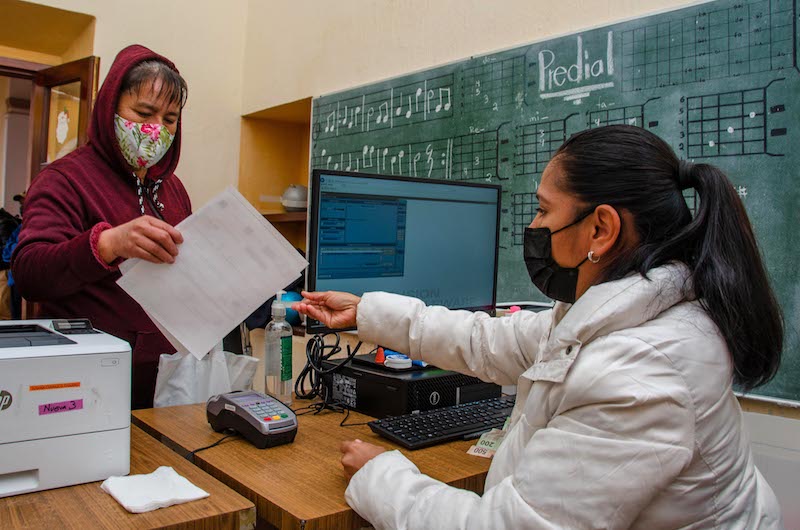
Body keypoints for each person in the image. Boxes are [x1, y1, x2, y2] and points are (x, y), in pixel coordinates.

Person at [293, 125, 784, 529]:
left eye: (545, 209)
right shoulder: (620, 312)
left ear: (601, 229)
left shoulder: (640, 373)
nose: (534, 224)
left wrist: (382, 475)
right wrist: (366, 313)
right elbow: (489, 340)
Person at [12, 45, 191, 409]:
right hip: (86, 384)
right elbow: (29, 273)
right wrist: (107, 243)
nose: (156, 129)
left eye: (170, 119)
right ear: (110, 107)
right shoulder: (64, 179)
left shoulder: (173, 189)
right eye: (143, 112)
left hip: (166, 383)